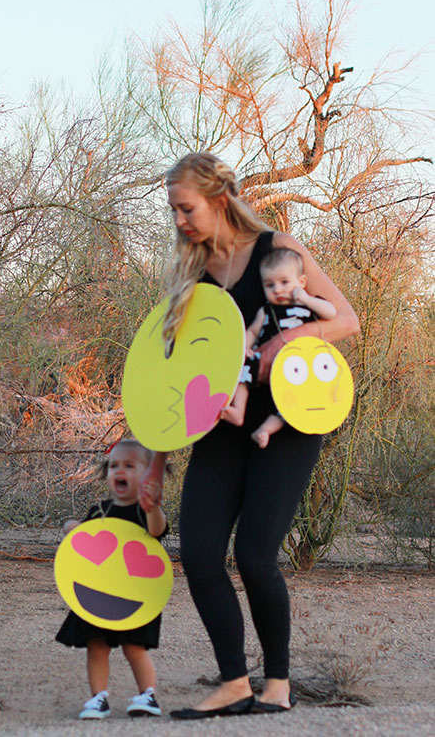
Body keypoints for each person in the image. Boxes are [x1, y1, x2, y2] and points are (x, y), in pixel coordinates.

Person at [140, 152, 358, 719]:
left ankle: (278, 685)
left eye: (186, 208)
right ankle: (235, 682)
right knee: (202, 552)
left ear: (217, 199)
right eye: (173, 211)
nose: (180, 221)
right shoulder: (191, 278)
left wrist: (289, 340)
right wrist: (157, 465)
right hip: (218, 429)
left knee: (256, 553)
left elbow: (346, 320)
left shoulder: (277, 249)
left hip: (283, 424)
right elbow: (170, 379)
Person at [55, 439, 168, 720]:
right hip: (97, 593)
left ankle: (148, 696)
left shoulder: (146, 512)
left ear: (148, 474)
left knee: (135, 647)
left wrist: (153, 507)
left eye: (130, 465)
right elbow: (82, 543)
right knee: (96, 645)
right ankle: (98, 699)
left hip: (135, 596)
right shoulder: (99, 512)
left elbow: (157, 531)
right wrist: (72, 527)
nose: (120, 470)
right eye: (114, 465)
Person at [220, 247, 338, 447]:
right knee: (242, 369)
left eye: (284, 282)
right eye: (270, 285)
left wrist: (308, 299)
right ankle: (238, 410)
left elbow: (332, 313)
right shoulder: (266, 311)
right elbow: (252, 332)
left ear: (301, 283)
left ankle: (266, 430)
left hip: (296, 365)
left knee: (291, 401)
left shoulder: (308, 306)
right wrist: (245, 348)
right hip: (264, 362)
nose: (277, 290)